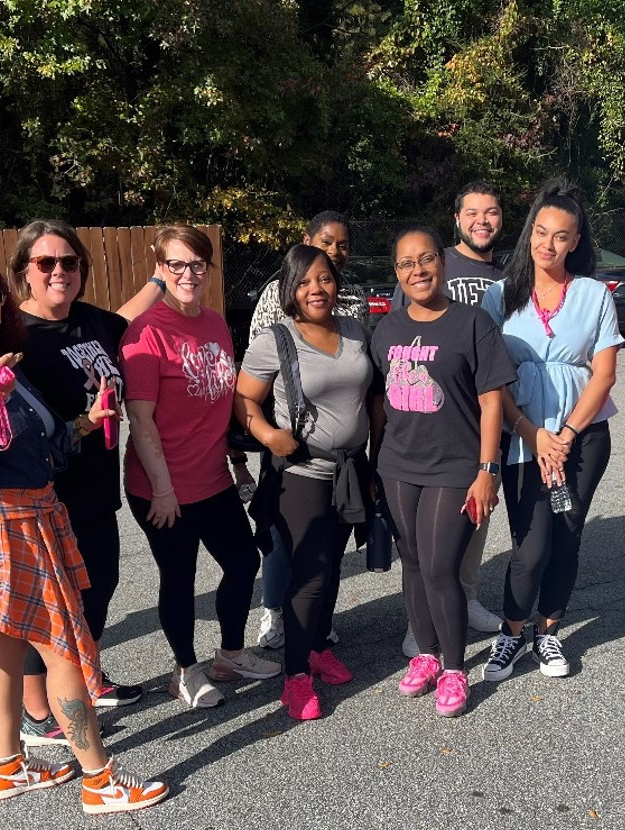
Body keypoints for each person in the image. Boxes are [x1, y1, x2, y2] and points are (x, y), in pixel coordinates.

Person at [0, 252, 167, 813]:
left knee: (2, 648)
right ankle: (100, 782)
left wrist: (87, 421)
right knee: (63, 646)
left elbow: (44, 444)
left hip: (28, 512)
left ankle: (7, 769)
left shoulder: (3, 362)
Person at [121, 225, 281, 709]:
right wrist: (165, 489)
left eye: (197, 264)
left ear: (209, 269)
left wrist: (237, 465)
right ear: (159, 268)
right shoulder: (144, 334)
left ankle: (230, 656)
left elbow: (221, 404)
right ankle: (184, 672)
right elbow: (141, 420)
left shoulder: (212, 323)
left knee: (242, 561)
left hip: (213, 479)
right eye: (176, 264)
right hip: (161, 487)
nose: (188, 273)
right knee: (180, 577)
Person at [480, 179, 622, 682]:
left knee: (567, 536)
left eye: (561, 236)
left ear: (576, 241)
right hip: (523, 439)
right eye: (540, 232)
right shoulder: (499, 297)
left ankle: (548, 632)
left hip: (583, 437)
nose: (548, 243)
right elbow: (490, 380)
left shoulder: (593, 296)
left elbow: (603, 373)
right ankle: (510, 633)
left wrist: (563, 434)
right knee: (530, 545)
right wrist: (532, 432)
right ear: (529, 234)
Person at [372, 226, 515, 718]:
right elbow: (379, 402)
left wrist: (487, 469)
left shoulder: (472, 323)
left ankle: (455, 668)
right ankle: (427, 655)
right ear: (397, 273)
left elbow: (491, 400)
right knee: (411, 562)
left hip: (456, 466)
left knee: (439, 567)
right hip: (397, 465)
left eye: (427, 259)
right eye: (407, 263)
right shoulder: (387, 330)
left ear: (443, 263)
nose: (418, 270)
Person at [234, 244, 378, 720]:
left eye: (325, 279)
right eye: (304, 282)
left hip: (350, 470)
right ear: (289, 290)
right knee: (309, 573)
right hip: (301, 473)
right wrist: (266, 433)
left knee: (333, 566)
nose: (316, 289)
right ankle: (295, 676)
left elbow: (371, 396)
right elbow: (244, 402)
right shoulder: (275, 340)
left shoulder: (356, 330)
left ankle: (316, 647)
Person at [392, 181, 509, 653]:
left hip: (477, 416)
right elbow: (400, 350)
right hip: (424, 431)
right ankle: (420, 625)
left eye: (493, 212)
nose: (483, 220)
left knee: (470, 526)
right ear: (456, 220)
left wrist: (490, 462)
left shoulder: (506, 273)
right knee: (424, 551)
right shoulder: (432, 264)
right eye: (473, 212)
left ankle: (467, 596)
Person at [246, 210, 369, 650]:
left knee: (330, 558)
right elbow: (258, 375)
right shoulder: (275, 308)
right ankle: (278, 616)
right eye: (325, 241)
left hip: (349, 461)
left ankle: (317, 629)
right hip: (294, 449)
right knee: (289, 546)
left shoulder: (355, 304)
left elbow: (365, 371)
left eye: (342, 244)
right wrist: (266, 433)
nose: (334, 252)